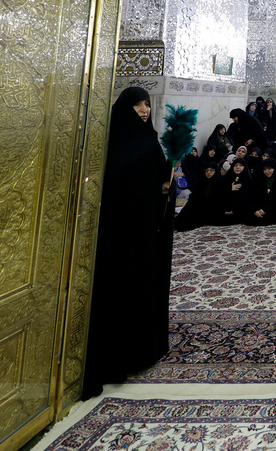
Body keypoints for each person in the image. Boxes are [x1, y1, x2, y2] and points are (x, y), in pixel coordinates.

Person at [83, 87, 173, 398]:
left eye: (147, 104)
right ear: (125, 108)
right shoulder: (112, 142)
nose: (144, 110)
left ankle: (144, 348)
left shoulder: (149, 139)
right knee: (120, 285)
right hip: (119, 230)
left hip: (145, 229)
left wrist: (166, 187)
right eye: (137, 105)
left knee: (143, 282)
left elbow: (158, 181)